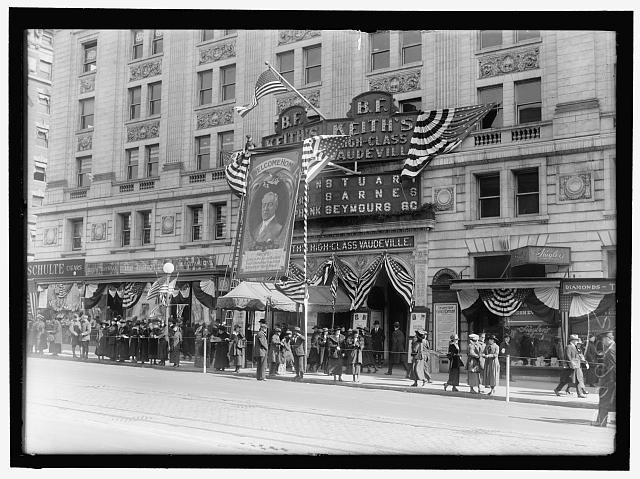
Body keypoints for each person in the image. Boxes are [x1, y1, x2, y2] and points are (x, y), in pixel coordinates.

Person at [592, 332, 616, 427]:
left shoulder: (611, 351)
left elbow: (612, 368)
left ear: (607, 339)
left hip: (609, 380)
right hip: (611, 380)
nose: (602, 342)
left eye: (603, 340)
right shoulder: (612, 348)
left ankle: (601, 422)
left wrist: (604, 382)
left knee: (604, 400)